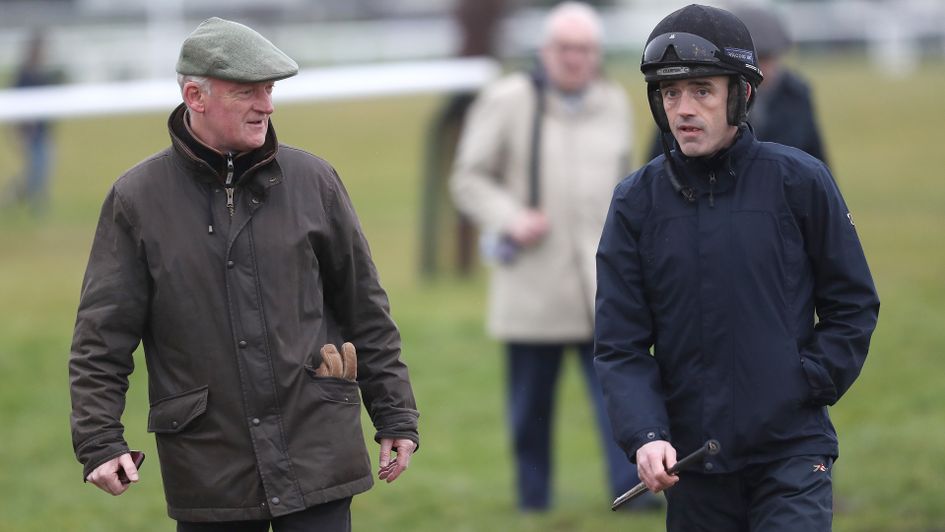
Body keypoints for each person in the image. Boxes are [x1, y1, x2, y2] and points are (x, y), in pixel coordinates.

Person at [69, 17, 419, 531]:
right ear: (195, 95)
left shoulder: (314, 181)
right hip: (209, 467)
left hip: (316, 451)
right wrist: (100, 440)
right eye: (247, 91)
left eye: (270, 89)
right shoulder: (136, 200)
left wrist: (395, 415)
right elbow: (101, 337)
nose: (268, 105)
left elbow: (365, 308)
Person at [594, 4, 879, 531]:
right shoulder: (635, 203)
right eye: (669, 92)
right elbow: (620, 344)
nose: (683, 107)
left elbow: (853, 304)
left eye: (702, 90)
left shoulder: (801, 181)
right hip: (692, 466)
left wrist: (805, 382)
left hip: (792, 453)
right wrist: (646, 434)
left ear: (741, 93)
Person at [450, 2, 654, 512]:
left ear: (597, 54)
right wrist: (510, 217)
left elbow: (630, 188)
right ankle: (533, 504)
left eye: (584, 49)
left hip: (601, 286)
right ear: (545, 51)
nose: (574, 58)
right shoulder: (509, 99)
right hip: (533, 284)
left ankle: (631, 496)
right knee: (531, 409)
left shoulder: (614, 103)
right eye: (564, 47)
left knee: (619, 400)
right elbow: (468, 177)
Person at [644, 4, 828, 166]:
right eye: (758, 59)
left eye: (767, 58)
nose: (762, 68)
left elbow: (815, 151)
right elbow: (660, 156)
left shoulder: (797, 94)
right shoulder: (684, 104)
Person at [6, 29, 59, 212]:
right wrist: (19, 131)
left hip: (43, 132)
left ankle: (38, 207)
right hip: (30, 133)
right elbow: (16, 104)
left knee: (43, 171)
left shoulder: (41, 73)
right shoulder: (25, 74)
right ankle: (12, 198)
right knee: (34, 173)